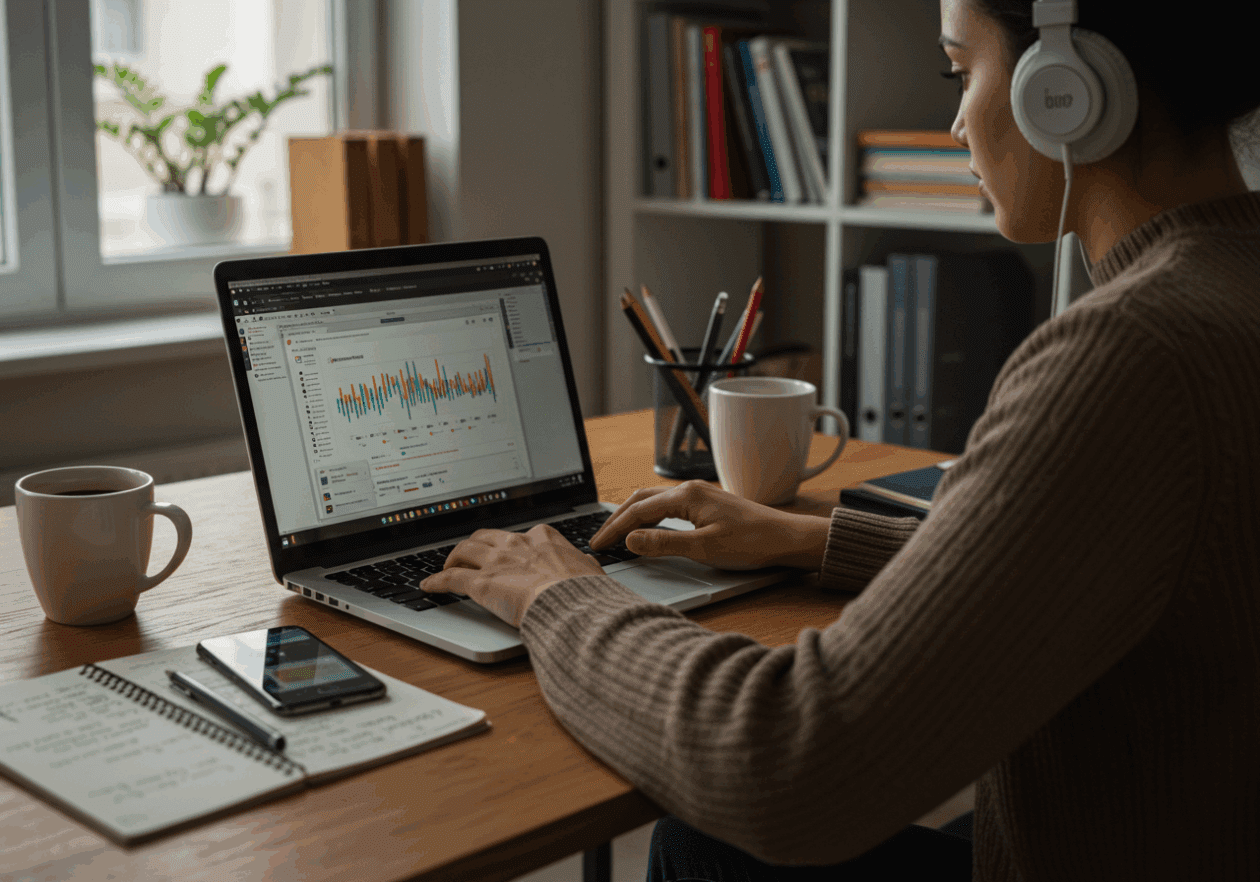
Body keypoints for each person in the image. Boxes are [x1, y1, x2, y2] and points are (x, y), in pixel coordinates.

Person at [423, 0, 1260, 878]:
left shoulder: (1134, 354)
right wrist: (816, 541)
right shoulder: (1225, 296)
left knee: (704, 847)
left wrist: (561, 597)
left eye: (958, 70)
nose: (954, 118)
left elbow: (790, 767)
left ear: (1065, 88)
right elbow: (1105, 565)